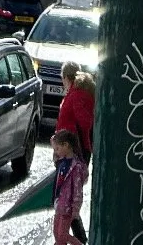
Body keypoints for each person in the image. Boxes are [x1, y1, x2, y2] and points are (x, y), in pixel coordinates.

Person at [54, 66, 95, 243]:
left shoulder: (77, 94)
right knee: (66, 196)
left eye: (62, 78)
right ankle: (77, 237)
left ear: (66, 78)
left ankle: (79, 238)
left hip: (72, 152)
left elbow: (84, 122)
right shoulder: (77, 93)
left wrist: (68, 141)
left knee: (69, 195)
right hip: (67, 149)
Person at [51, 129, 88, 245]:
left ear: (66, 145)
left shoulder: (75, 167)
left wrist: (75, 209)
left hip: (68, 207)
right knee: (57, 233)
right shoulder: (62, 162)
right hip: (60, 205)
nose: (56, 152)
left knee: (62, 235)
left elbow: (77, 190)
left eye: (57, 149)